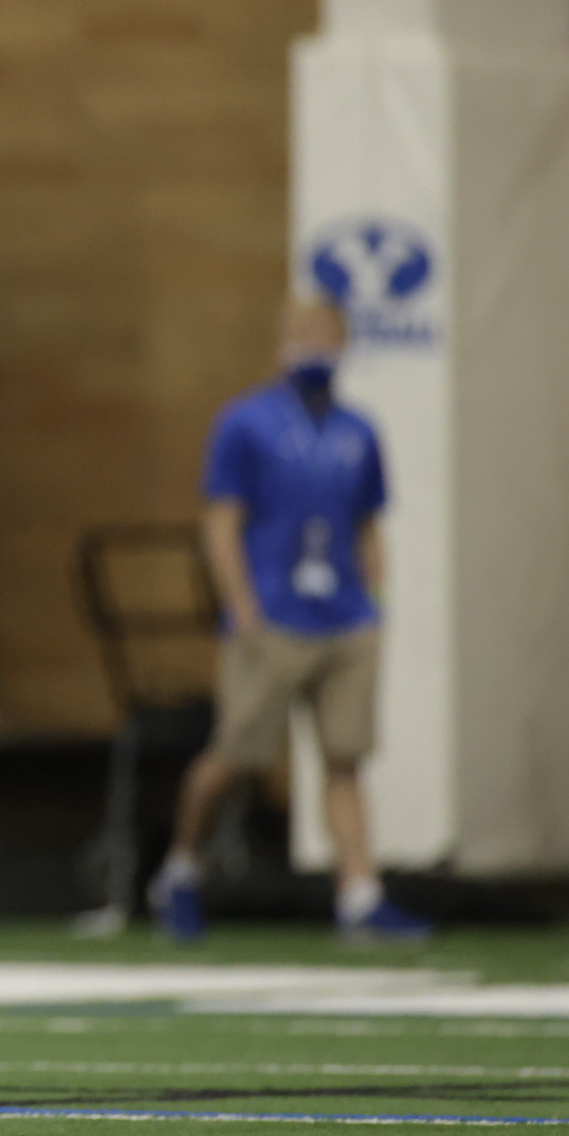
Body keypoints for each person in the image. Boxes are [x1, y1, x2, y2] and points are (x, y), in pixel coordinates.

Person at [148, 295, 431, 944]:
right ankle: (181, 867)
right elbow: (222, 521)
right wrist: (242, 605)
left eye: (327, 334)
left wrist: (378, 604)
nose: (315, 345)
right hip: (273, 614)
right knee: (237, 756)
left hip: (345, 615)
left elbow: (368, 525)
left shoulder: (359, 430)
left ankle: (360, 895)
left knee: (345, 759)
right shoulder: (246, 423)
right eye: (303, 333)